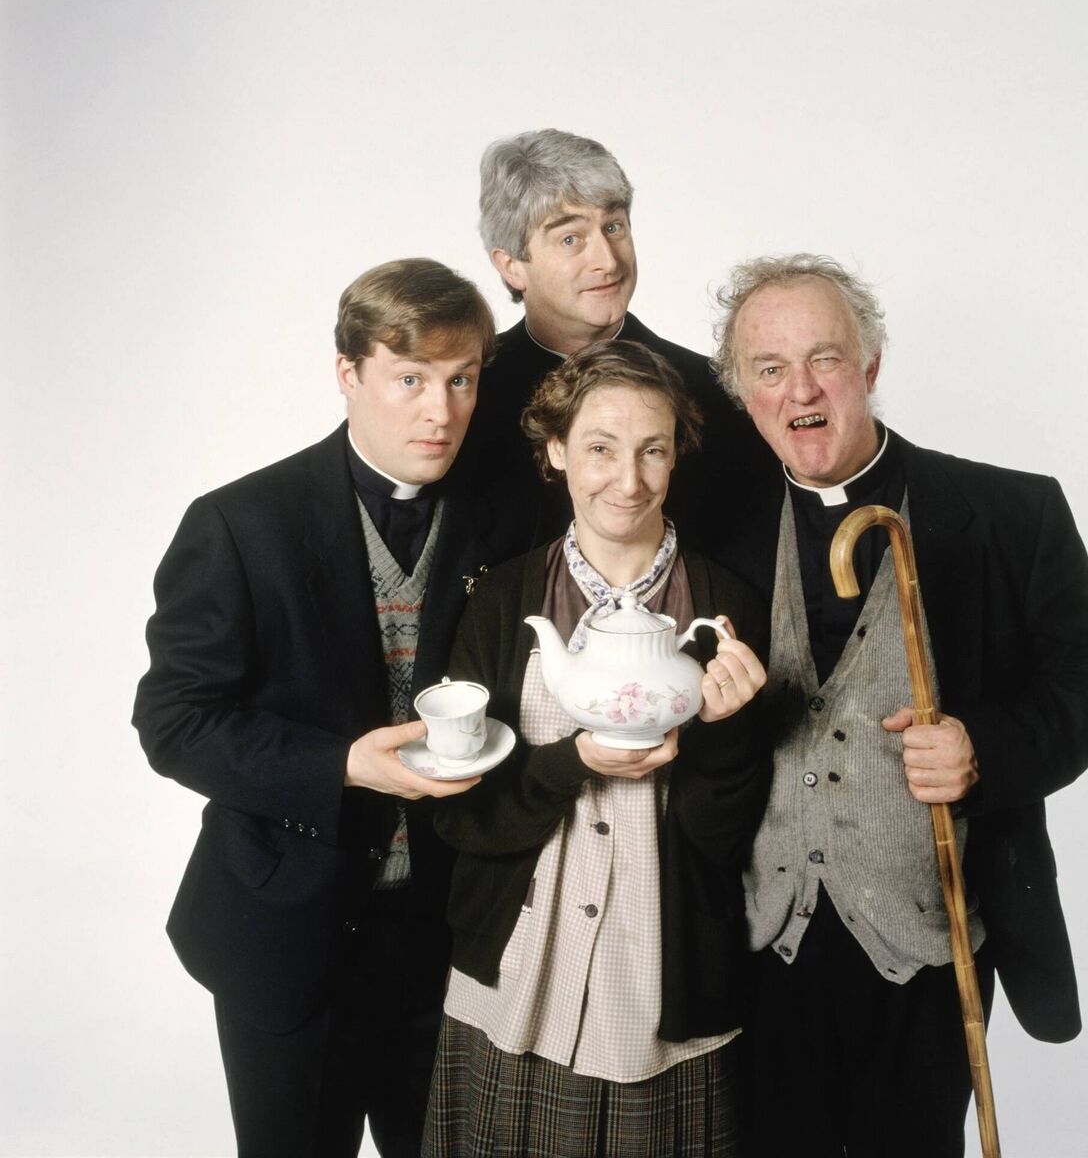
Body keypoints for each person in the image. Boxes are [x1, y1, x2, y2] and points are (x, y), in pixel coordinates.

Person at [709, 254, 1088, 1157]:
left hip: (931, 947)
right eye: (769, 369)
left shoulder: (1007, 512)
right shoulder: (712, 526)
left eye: (824, 358)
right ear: (742, 393)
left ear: (868, 365)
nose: (799, 391)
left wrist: (985, 750)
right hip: (759, 949)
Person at [132, 259, 515, 1157]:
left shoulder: (507, 517)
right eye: (410, 379)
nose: (441, 410)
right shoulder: (239, 524)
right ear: (348, 373)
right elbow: (174, 720)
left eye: (461, 380)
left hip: (451, 938)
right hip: (286, 938)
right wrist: (340, 765)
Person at [422, 340, 771, 1158]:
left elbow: (728, 842)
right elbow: (461, 817)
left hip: (660, 987)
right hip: (518, 976)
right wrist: (569, 763)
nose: (629, 480)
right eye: (600, 449)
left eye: (653, 450)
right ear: (555, 451)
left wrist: (727, 733)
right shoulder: (502, 599)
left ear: (677, 455)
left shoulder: (726, 604)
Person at [457, 127, 770, 554]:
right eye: (571, 239)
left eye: (614, 227)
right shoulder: (466, 393)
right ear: (511, 266)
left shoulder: (715, 391)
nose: (607, 261)